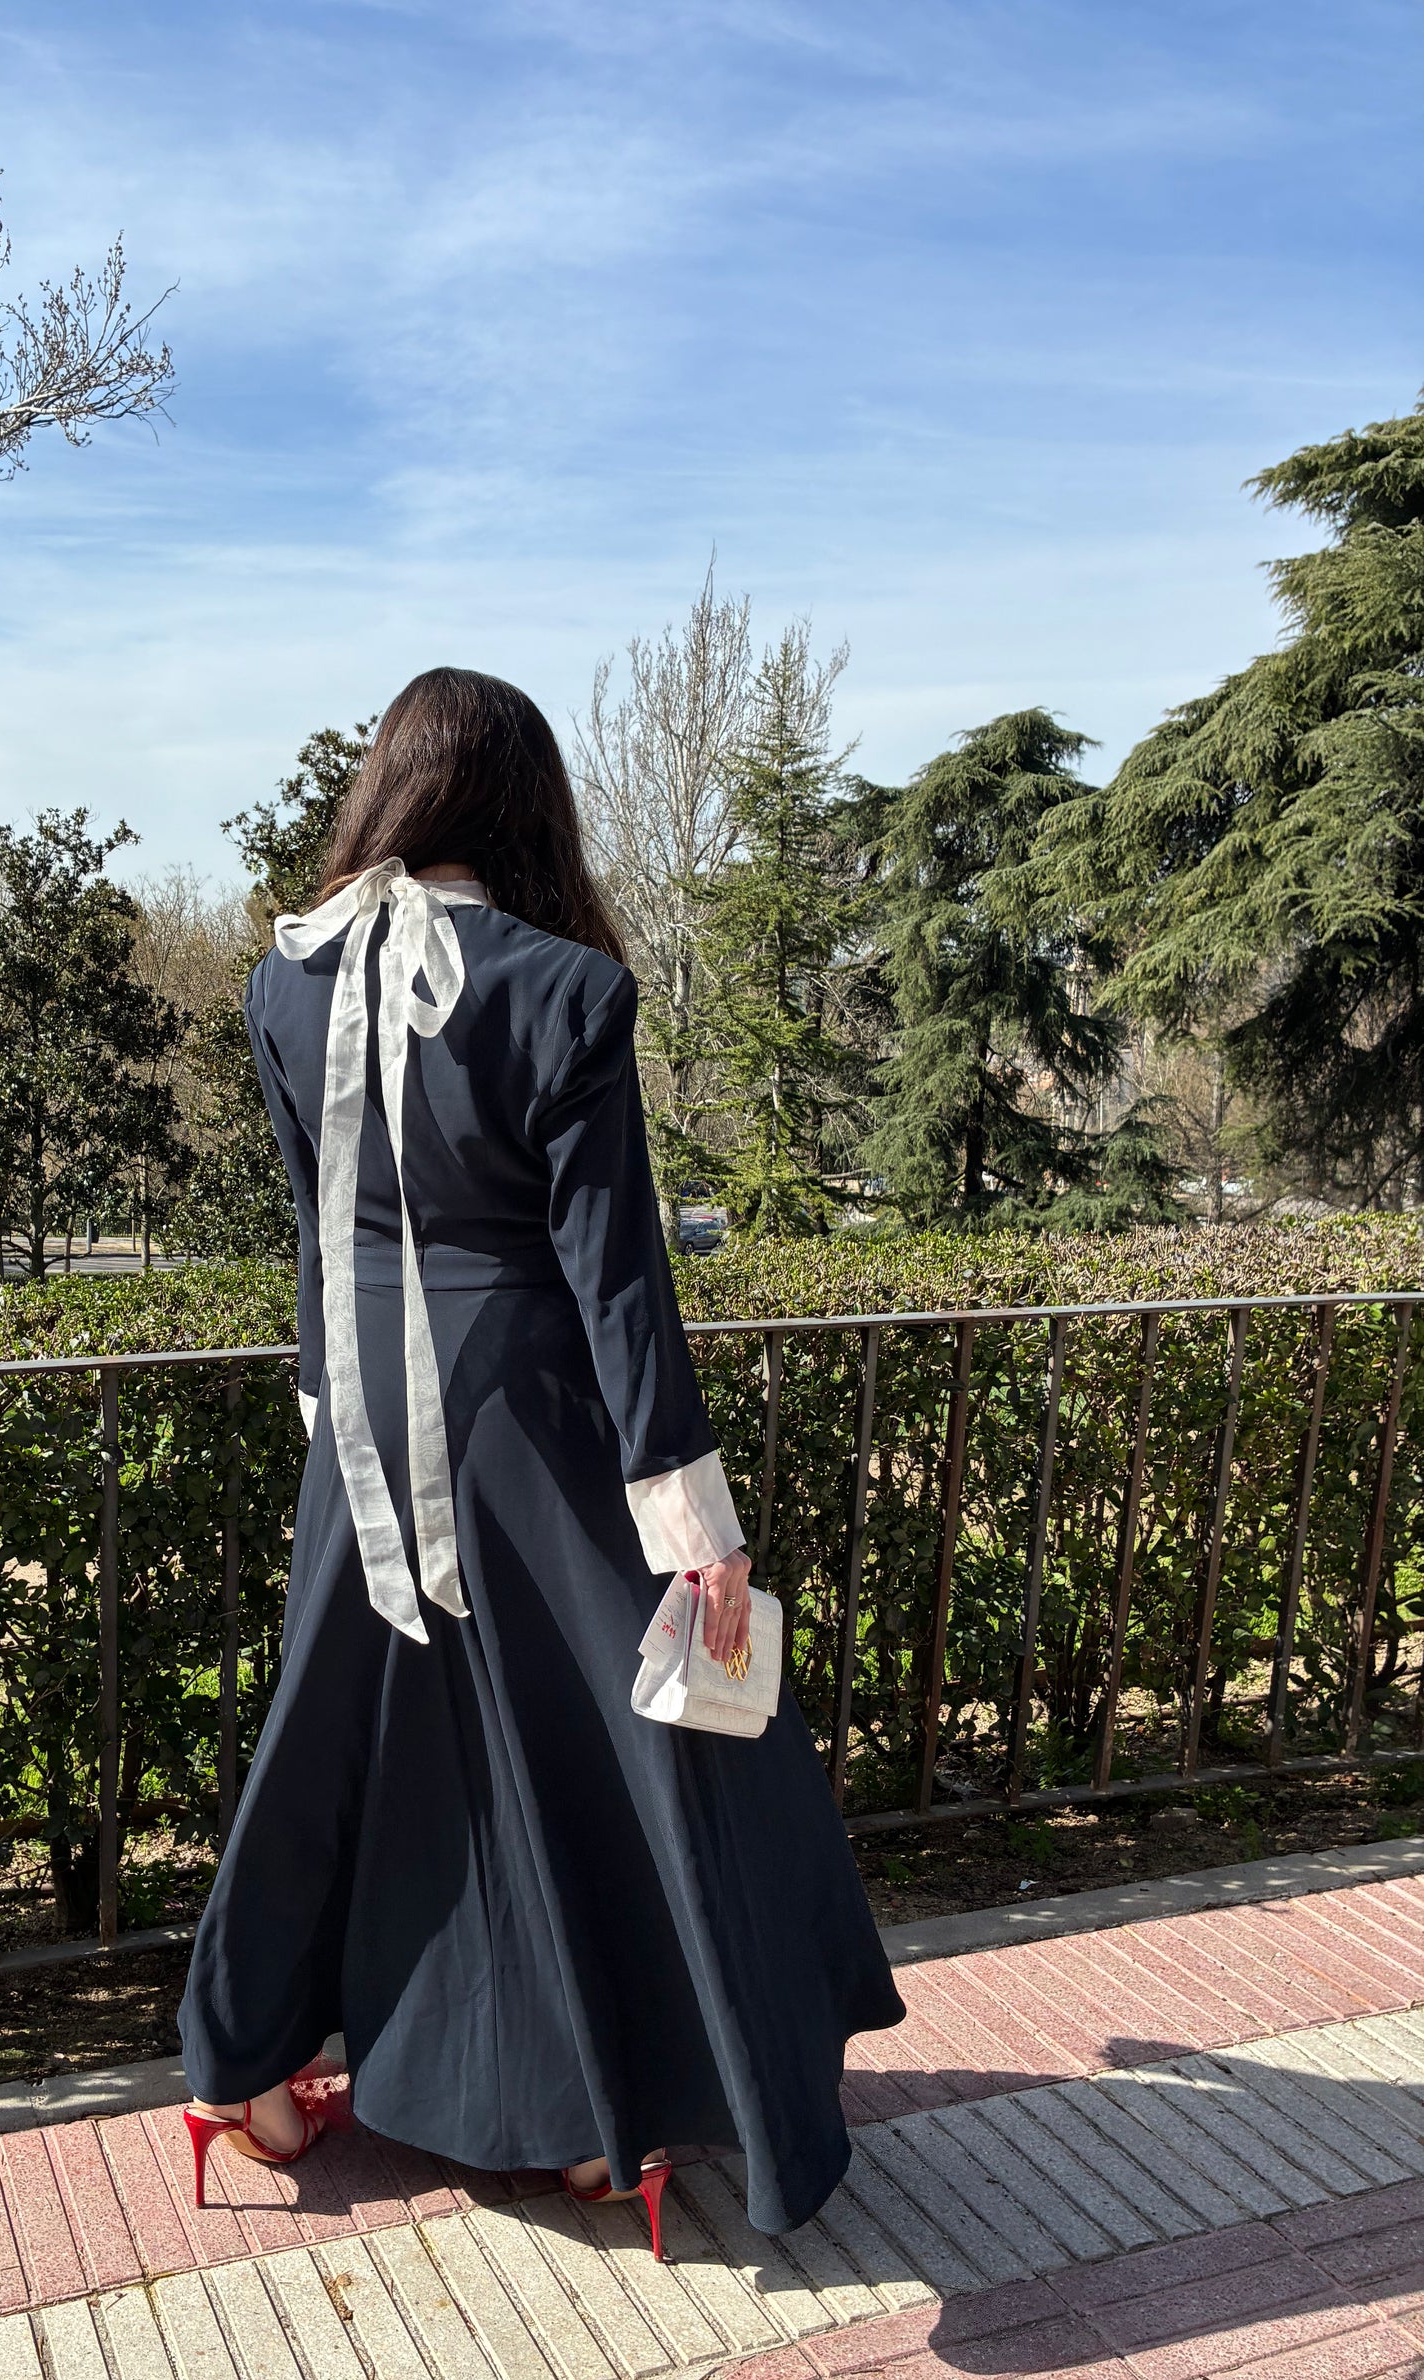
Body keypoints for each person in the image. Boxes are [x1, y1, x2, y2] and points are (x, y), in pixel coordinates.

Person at [179, 667, 903, 2249]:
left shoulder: (283, 981)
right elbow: (615, 1275)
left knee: (342, 1734)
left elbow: (314, 1237)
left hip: (361, 1420)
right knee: (617, 1741)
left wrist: (327, 1417)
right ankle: (596, 2114)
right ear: (527, 806)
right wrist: (695, 1524)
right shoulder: (561, 987)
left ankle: (246, 2075)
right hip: (526, 1408)